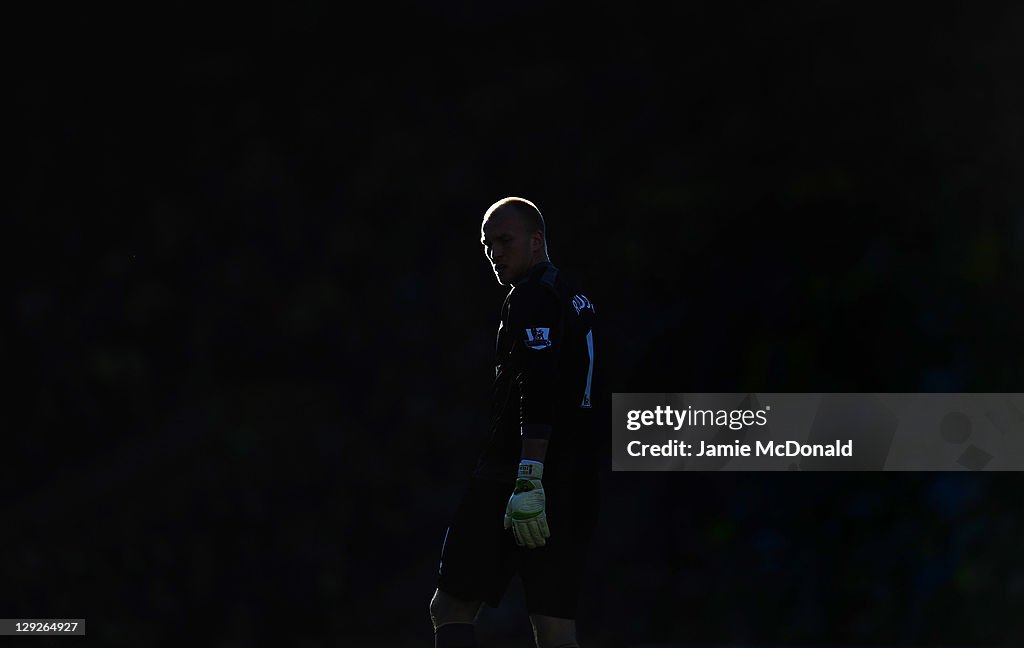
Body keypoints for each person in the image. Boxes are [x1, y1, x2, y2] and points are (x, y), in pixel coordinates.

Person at [429, 197, 599, 648]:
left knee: (450, 608)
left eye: (504, 241)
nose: (495, 253)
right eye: (488, 246)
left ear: (536, 239)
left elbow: (538, 385)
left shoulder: (533, 297)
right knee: (555, 624)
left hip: (517, 479)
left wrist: (528, 476)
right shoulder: (575, 296)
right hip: (571, 482)